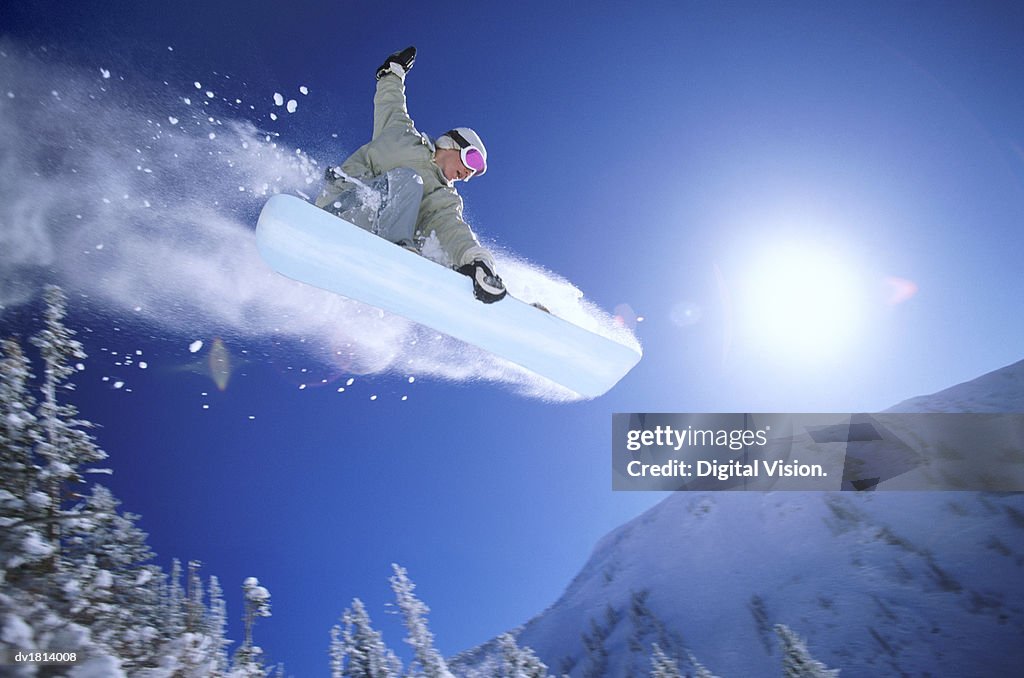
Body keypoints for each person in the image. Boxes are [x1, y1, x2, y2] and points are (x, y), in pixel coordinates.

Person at [315, 46, 507, 303]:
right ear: (452, 143)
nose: (469, 173)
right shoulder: (400, 134)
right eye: (472, 159)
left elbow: (452, 228)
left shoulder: (443, 197)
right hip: (344, 209)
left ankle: (478, 284)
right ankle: (398, 254)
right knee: (408, 181)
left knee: (437, 244)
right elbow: (390, 101)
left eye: (475, 173)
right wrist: (393, 71)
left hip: (377, 237)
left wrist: (478, 260)